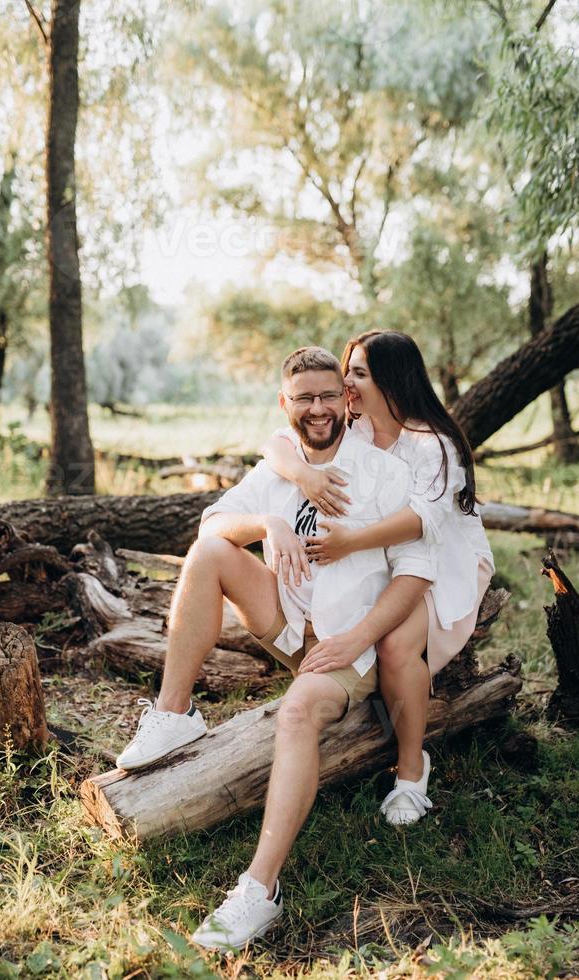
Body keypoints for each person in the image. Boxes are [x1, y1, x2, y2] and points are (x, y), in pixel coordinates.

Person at [116, 346, 434, 950]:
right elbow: (212, 523)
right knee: (210, 552)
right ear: (284, 405)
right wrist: (268, 526)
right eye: (303, 398)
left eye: (326, 395)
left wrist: (355, 641)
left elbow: (415, 574)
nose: (317, 409)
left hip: (349, 645)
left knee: (295, 712)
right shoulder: (279, 472)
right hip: (290, 623)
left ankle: (259, 892)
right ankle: (174, 714)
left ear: (346, 399)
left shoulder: (386, 473)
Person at [262, 330, 494, 827]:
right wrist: (304, 478)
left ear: (392, 379)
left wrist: (349, 542)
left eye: (359, 373)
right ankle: (341, 688)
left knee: (394, 646)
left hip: (441, 560)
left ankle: (411, 771)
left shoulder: (435, 444)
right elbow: (279, 441)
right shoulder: (358, 428)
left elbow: (421, 523)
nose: (346, 382)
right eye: (347, 369)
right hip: (382, 559)